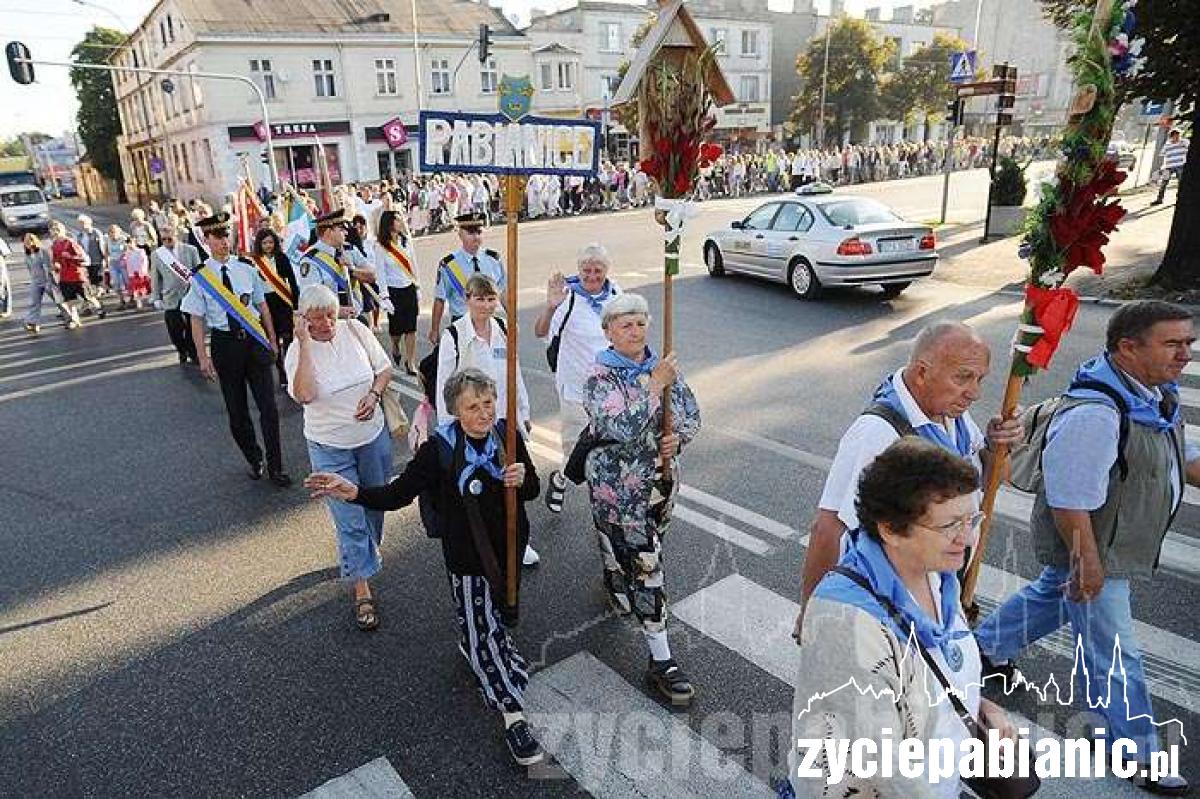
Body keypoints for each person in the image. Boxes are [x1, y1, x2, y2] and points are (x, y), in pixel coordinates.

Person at [974, 301, 1197, 796]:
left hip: (1108, 544)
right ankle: (1136, 751)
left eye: (1189, 342)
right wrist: (1087, 563)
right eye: (1173, 343)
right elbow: (1070, 499)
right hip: (1094, 546)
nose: (1186, 353)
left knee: (1053, 596)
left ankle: (984, 648)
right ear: (1128, 348)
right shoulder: (1097, 414)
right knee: (1113, 652)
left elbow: (1183, 456)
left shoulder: (1152, 393)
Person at [305, 367, 544, 767]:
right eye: (473, 406)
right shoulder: (439, 449)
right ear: (454, 411)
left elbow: (532, 489)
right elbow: (399, 493)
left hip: (510, 551)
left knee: (493, 620)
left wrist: (522, 480)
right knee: (483, 629)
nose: (484, 413)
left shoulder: (508, 436)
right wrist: (355, 492)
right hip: (467, 561)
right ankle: (512, 715)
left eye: (488, 403)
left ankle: (475, 646)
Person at [786, 438, 1018, 799]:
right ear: (891, 529)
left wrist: (981, 708)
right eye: (950, 525)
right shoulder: (847, 621)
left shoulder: (937, 575)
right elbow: (880, 765)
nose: (968, 537)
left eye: (972, 519)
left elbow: (935, 675)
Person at [796, 323, 1023, 624]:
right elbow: (829, 528)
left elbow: (992, 478)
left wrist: (996, 448)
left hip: (940, 592)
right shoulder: (878, 432)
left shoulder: (951, 413)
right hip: (895, 608)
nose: (975, 393)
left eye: (980, 379)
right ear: (921, 373)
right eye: (963, 377)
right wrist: (813, 615)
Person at [583, 292, 701, 705]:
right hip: (619, 493)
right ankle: (661, 661)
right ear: (609, 333)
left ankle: (615, 573)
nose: (634, 332)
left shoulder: (662, 368)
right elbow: (622, 426)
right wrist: (654, 386)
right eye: (624, 325)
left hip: (660, 486)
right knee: (649, 569)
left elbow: (691, 413)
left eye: (639, 323)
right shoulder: (600, 379)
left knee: (644, 556)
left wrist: (676, 438)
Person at [287, 284, 394, 631]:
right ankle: (362, 589)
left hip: (371, 437)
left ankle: (363, 556)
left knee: (376, 503)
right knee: (349, 518)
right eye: (315, 319)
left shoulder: (356, 330)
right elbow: (304, 394)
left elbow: (384, 368)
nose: (325, 324)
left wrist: (375, 395)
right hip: (328, 445)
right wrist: (303, 343)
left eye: (330, 315)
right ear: (304, 320)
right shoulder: (296, 350)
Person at [434, 274, 539, 567]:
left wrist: (523, 413)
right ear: (467, 300)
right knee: (482, 485)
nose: (486, 305)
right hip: (473, 425)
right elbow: (445, 387)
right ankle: (485, 540)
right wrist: (449, 433)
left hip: (504, 420)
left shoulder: (504, 328)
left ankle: (519, 540)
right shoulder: (453, 336)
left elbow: (514, 374)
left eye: (491, 298)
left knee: (512, 481)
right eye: (479, 299)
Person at [181, 212, 290, 487]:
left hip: (254, 342)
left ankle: (277, 466)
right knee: (237, 412)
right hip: (225, 345)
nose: (224, 241)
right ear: (206, 240)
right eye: (218, 237)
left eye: (226, 235)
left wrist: (271, 338)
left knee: (269, 408)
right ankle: (255, 458)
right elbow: (196, 318)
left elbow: (262, 305)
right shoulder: (200, 278)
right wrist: (202, 356)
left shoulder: (246, 267)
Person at [532, 243, 622, 514]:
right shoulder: (568, 297)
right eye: (586, 270)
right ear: (579, 270)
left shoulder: (616, 293)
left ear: (606, 271)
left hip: (609, 389)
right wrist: (550, 307)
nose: (592, 276)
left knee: (610, 447)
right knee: (577, 450)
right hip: (575, 387)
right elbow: (540, 331)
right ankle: (560, 479)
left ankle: (606, 507)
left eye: (598, 270)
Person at [428, 211, 506, 343]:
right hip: (461, 323)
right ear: (460, 234)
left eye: (479, 232)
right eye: (470, 233)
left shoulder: (493, 260)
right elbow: (440, 299)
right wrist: (435, 329)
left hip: (489, 322)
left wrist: (512, 319)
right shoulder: (449, 265)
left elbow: (503, 292)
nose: (476, 237)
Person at [296, 209, 377, 321]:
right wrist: (337, 310)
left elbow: (373, 276)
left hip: (356, 317)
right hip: (328, 322)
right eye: (341, 229)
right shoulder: (310, 260)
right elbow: (310, 300)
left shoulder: (350, 250)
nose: (346, 233)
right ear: (328, 232)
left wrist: (352, 270)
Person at [250, 228, 300, 389]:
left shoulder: (282, 258)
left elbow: (292, 280)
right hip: (265, 302)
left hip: (283, 301)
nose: (268, 246)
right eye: (264, 243)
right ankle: (282, 373)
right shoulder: (255, 261)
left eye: (271, 242)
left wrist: (296, 304)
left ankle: (292, 369)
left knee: (288, 338)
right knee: (274, 340)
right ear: (259, 244)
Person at [374, 209, 420, 373]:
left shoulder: (406, 241)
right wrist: (384, 296)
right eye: (398, 220)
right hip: (393, 292)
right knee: (397, 330)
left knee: (411, 328)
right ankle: (395, 346)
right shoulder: (380, 246)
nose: (401, 223)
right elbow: (380, 273)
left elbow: (413, 264)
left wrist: (418, 286)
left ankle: (411, 362)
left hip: (409, 288)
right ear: (389, 224)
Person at [150, 222, 202, 365]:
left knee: (192, 327)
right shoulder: (157, 254)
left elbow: (198, 271)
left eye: (169, 239)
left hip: (190, 293)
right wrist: (155, 297)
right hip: (170, 296)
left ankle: (193, 352)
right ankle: (181, 349)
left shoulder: (190, 250)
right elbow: (155, 277)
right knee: (174, 328)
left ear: (176, 236)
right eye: (163, 240)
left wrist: (202, 291)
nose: (167, 242)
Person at [49, 221, 105, 328]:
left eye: (58, 231)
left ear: (63, 231)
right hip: (64, 276)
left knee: (87, 297)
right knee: (70, 300)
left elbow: (83, 258)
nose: (56, 233)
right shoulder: (54, 245)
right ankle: (75, 320)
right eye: (53, 231)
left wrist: (70, 256)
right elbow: (54, 260)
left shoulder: (70, 242)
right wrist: (55, 266)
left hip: (77, 275)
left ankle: (99, 308)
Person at [21, 233, 59, 334]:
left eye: (29, 241)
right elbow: (30, 269)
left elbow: (49, 266)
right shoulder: (27, 254)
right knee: (34, 302)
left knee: (58, 300)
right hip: (35, 281)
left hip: (47, 280)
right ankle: (33, 323)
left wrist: (50, 281)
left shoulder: (43, 251)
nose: (28, 244)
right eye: (25, 242)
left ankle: (70, 317)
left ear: (34, 241)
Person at [1151, 129, 1189, 206]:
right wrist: (1162, 166)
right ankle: (1159, 199)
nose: (1177, 137)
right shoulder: (1167, 145)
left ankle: (1180, 200)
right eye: (1175, 135)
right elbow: (1162, 155)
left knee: (1181, 184)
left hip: (1180, 165)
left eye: (1178, 135)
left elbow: (1188, 147)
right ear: (1171, 136)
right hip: (1168, 166)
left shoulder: (1183, 143)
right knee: (1164, 183)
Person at [76, 214, 108, 295]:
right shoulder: (80, 235)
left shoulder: (95, 232)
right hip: (87, 260)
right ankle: (100, 289)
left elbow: (102, 245)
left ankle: (101, 289)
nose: (82, 225)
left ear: (89, 223)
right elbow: (79, 248)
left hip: (97, 258)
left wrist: (105, 258)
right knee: (92, 277)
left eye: (83, 223)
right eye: (80, 223)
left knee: (99, 275)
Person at [106, 225, 132, 309]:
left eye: (114, 232)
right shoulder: (107, 240)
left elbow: (128, 250)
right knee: (116, 283)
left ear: (119, 232)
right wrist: (107, 262)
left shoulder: (123, 239)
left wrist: (124, 257)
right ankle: (121, 300)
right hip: (113, 263)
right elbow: (106, 251)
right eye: (111, 232)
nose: (113, 234)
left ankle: (132, 299)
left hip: (123, 263)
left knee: (127, 282)